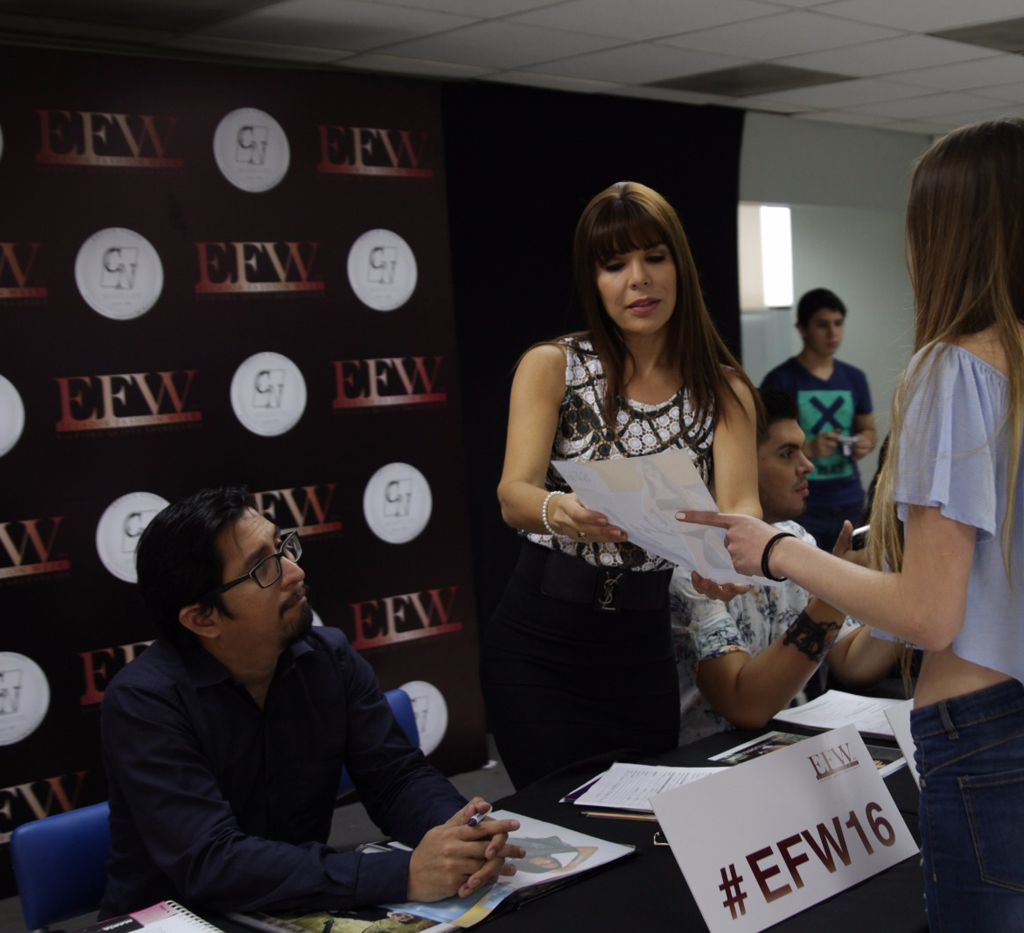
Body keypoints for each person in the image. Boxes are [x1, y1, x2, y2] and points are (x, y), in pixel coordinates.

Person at [682, 118, 1024, 932]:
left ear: (948, 233)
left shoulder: (953, 368)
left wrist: (778, 551)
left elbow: (927, 613)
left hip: (999, 755)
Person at [99, 486, 522, 918]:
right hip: (181, 919)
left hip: (296, 908)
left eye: (282, 546)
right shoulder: (144, 704)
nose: (294, 571)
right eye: (263, 568)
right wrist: (404, 873)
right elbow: (213, 862)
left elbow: (395, 778)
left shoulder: (329, 658)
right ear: (203, 618)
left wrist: (460, 833)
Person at [484, 180, 762, 790]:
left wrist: (728, 564)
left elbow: (742, 508)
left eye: (654, 257)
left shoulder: (725, 389)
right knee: (559, 812)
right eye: (615, 265)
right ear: (594, 280)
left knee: (642, 816)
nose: (639, 279)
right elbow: (512, 494)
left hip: (643, 645)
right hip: (540, 644)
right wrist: (561, 510)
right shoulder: (553, 364)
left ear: (680, 266)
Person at [670, 389, 898, 744]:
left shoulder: (795, 538)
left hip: (789, 751)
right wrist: (833, 597)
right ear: (737, 464)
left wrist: (905, 578)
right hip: (705, 764)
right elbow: (744, 705)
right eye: (787, 453)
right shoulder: (689, 565)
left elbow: (854, 663)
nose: (807, 465)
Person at [760, 287, 876, 549]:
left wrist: (863, 443)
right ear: (802, 329)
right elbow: (764, 447)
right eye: (822, 324)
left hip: (849, 498)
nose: (832, 333)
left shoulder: (854, 378)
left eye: (838, 323)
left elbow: (869, 430)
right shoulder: (781, 379)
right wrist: (810, 448)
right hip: (803, 500)